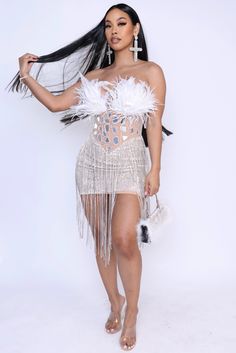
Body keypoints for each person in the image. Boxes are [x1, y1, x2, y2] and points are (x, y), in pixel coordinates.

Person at [8, 3, 173, 350]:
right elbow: (55, 105)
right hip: (92, 163)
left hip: (129, 160)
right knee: (102, 238)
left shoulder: (151, 72)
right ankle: (115, 301)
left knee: (124, 239)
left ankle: (132, 311)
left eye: (122, 23)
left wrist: (155, 168)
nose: (114, 31)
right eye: (109, 25)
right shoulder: (96, 77)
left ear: (135, 30)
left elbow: (154, 124)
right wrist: (26, 76)